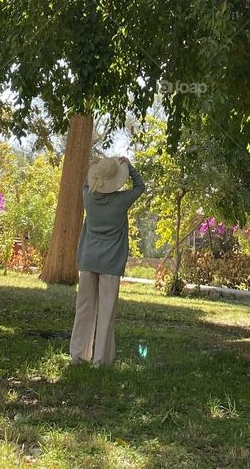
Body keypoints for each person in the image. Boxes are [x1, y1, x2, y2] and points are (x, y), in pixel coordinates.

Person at [69, 153, 145, 366]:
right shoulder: (122, 201)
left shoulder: (88, 197)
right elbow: (140, 187)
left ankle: (78, 355)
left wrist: (94, 166)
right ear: (115, 181)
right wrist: (129, 168)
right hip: (111, 263)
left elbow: (86, 183)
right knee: (106, 309)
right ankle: (101, 359)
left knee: (83, 308)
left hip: (87, 259)